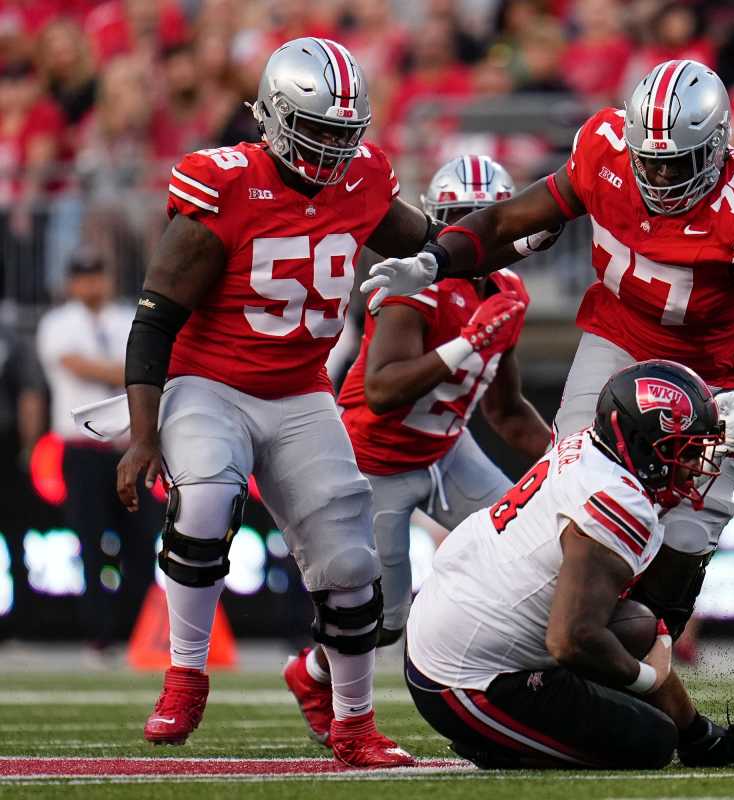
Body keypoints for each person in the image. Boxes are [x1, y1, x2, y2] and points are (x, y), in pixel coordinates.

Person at [361, 59, 734, 653]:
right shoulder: (603, 149)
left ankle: (652, 656)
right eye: (648, 160)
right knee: (570, 489)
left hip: (717, 371)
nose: (659, 177)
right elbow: (503, 220)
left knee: (688, 531)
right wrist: (433, 261)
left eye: (676, 163)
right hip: (619, 338)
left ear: (718, 146)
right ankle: (548, 643)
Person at [114, 37, 461, 767]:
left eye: (344, 133)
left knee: (351, 564)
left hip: (301, 389)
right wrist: (144, 434)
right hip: (207, 382)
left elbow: (426, 236)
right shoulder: (228, 182)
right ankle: (185, 674)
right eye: (318, 131)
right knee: (206, 498)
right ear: (272, 117)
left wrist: (503, 240)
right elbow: (155, 318)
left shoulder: (362, 178)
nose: (333, 148)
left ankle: (355, 723)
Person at [405, 360, 734, 769]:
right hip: (462, 680)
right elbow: (570, 639)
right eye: (678, 448)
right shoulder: (617, 503)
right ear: (640, 443)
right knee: (650, 741)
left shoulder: (592, 448)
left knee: (637, 626)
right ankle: (502, 743)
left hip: (460, 618)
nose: (693, 462)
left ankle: (702, 740)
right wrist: (646, 675)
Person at [283, 155, 555, 745]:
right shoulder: (413, 290)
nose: (477, 234)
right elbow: (379, 391)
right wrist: (465, 343)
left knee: (527, 553)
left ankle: (522, 689)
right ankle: (309, 674)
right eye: (463, 220)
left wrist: (570, 455)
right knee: (384, 621)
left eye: (487, 219)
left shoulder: (507, 289)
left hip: (448, 451)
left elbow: (505, 411)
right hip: (377, 459)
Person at [36, 251, 161, 656]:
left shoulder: (126, 315)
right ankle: (99, 634)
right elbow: (79, 365)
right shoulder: (58, 322)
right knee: (90, 542)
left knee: (142, 541)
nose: (92, 284)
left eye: (98, 276)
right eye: (84, 277)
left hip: (128, 445)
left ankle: (138, 633)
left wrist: (126, 369)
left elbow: (149, 362)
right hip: (81, 450)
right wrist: (128, 371)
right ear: (72, 283)